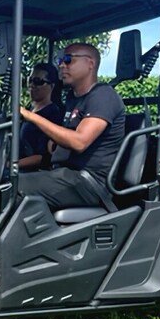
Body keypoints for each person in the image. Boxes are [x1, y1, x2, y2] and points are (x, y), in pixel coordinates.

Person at [18, 43, 125, 210]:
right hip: (64, 174)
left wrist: (31, 117)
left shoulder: (103, 96)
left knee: (11, 186)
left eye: (68, 60)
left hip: (88, 183)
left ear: (90, 64)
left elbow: (79, 142)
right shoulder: (72, 98)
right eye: (61, 60)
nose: (62, 65)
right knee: (4, 180)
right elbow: (68, 135)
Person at [18, 63, 63, 171]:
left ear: (52, 86)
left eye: (38, 81)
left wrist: (10, 165)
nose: (32, 85)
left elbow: (43, 157)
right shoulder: (28, 109)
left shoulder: (53, 114)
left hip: (33, 172)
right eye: (30, 80)